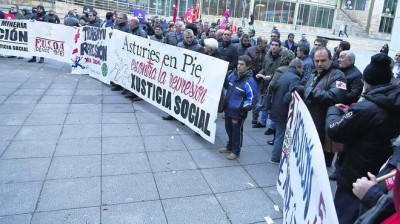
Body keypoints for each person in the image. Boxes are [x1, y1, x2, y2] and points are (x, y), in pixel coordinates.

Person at [326, 53, 400, 224]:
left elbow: (334, 130)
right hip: (379, 176)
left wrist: (333, 110)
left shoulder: (366, 108)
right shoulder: (392, 101)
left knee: (344, 216)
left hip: (356, 175)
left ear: (367, 82)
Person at [293, 47, 347, 166]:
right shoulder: (313, 73)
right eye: (317, 61)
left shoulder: (338, 75)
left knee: (317, 163)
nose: (319, 64)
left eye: (323, 60)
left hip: (322, 126)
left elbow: (335, 97)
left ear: (331, 59)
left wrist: (307, 91)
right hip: (308, 121)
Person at [219, 55, 258, 160]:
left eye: (242, 64)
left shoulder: (250, 81)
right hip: (228, 109)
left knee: (236, 132)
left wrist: (243, 108)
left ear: (248, 66)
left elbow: (252, 99)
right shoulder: (233, 75)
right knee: (228, 129)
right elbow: (227, 85)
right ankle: (229, 146)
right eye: (238, 64)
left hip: (238, 112)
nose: (239, 66)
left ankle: (236, 151)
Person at [269, 59, 304, 162]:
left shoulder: (284, 74)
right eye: (302, 68)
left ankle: (276, 155)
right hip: (284, 111)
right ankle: (275, 157)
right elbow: (290, 97)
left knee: (279, 134)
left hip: (276, 108)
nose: (303, 71)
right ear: (297, 67)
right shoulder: (295, 78)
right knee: (281, 135)